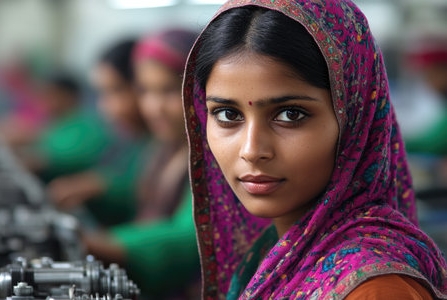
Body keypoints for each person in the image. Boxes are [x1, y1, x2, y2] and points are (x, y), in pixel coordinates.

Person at [182, 1, 447, 299]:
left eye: (290, 115)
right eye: (228, 115)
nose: (252, 150)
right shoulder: (273, 253)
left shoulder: (375, 289)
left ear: (355, 120)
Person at [83, 29, 200, 299]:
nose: (153, 106)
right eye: (145, 91)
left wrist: (106, 245)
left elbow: (188, 237)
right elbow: (137, 193)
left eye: (170, 90)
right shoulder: (162, 149)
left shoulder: (214, 163)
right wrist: (99, 188)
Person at [48, 40, 150, 226]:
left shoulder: (163, 146)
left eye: (115, 90)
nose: (104, 107)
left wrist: (102, 186)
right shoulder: (131, 140)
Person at [22, 72, 110, 182]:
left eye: (52, 95)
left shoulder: (87, 126)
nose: (45, 100)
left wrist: (34, 160)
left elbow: (70, 158)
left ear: (69, 96)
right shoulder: (56, 123)